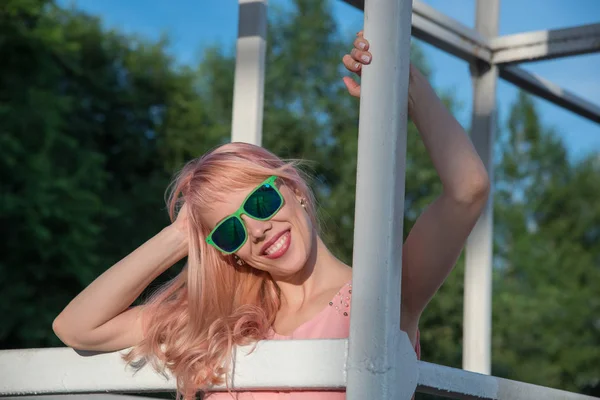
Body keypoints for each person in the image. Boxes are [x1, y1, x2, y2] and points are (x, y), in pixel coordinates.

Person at [52, 31, 489, 400]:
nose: (257, 230)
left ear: (294, 190)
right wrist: (182, 235)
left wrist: (405, 83)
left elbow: (468, 190)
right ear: (229, 252)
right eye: (230, 231)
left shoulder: (382, 299)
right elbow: (77, 327)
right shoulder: (220, 319)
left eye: (260, 202)